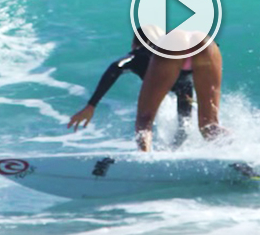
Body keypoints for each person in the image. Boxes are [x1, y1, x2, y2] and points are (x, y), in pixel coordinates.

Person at [67, 28, 195, 148]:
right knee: (184, 124)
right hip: (184, 83)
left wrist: (91, 105)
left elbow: (115, 68)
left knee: (144, 121)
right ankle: (177, 151)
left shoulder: (138, 56)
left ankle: (145, 155)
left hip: (176, 81)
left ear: (135, 42)